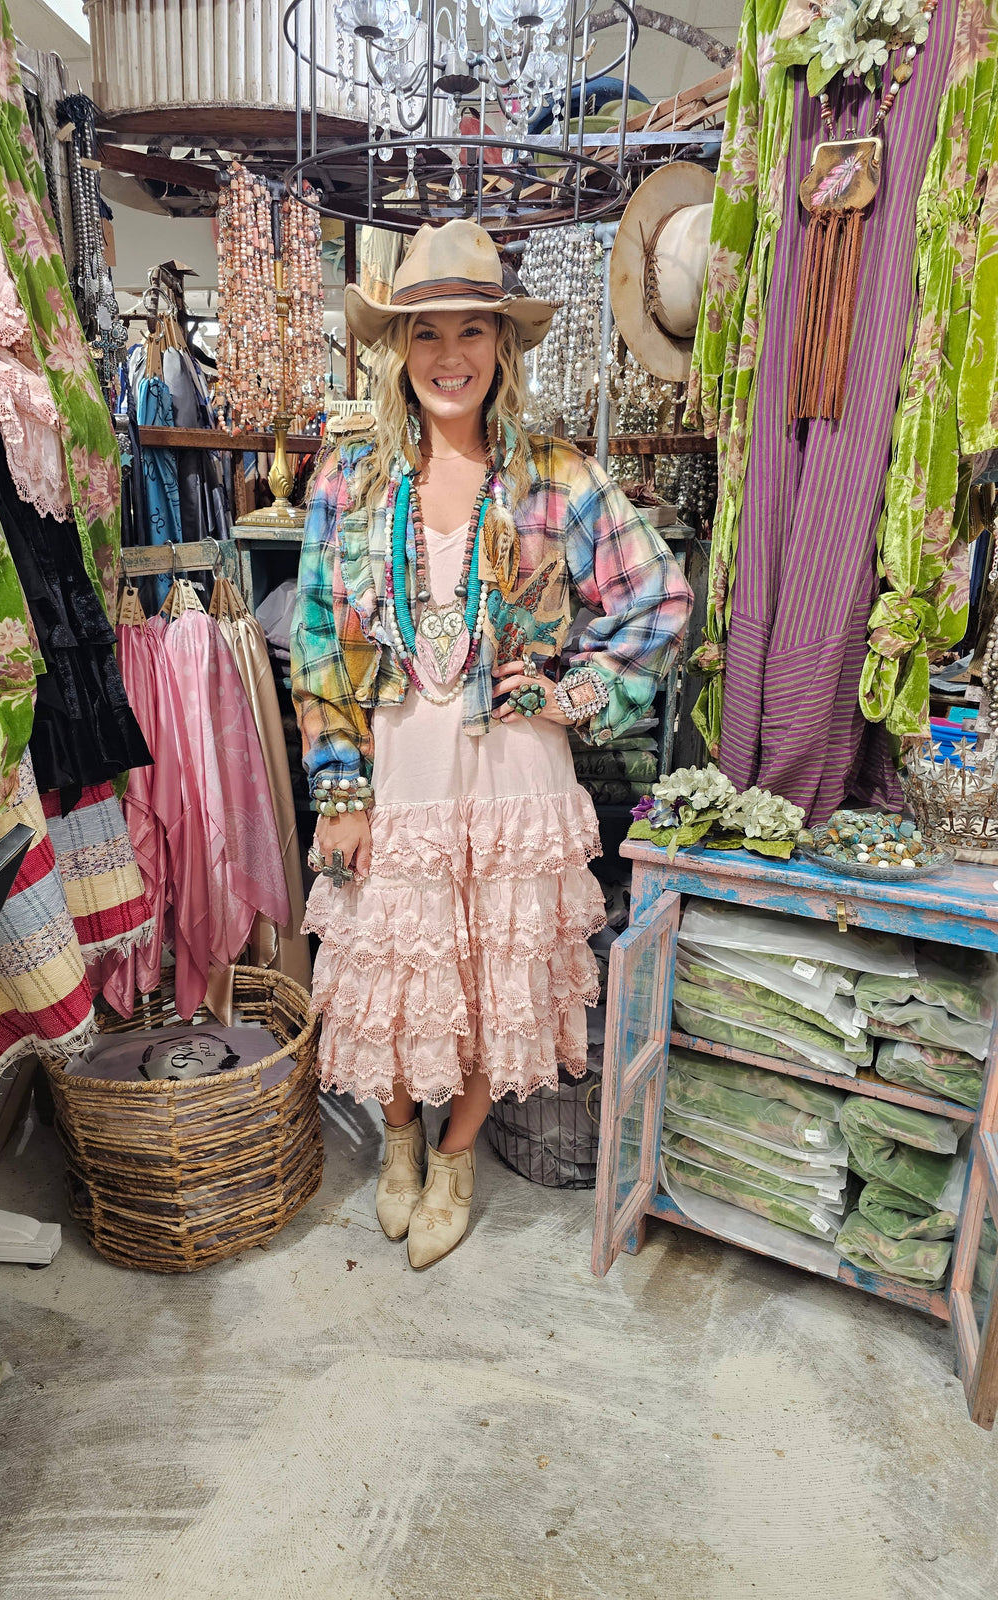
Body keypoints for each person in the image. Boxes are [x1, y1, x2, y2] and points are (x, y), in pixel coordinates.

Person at [292, 220, 691, 1270]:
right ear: (400, 348)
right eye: (428, 334)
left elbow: (659, 598)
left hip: (515, 769)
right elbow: (319, 642)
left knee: (488, 973)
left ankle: (459, 1153)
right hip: (396, 767)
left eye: (475, 331)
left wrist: (578, 691)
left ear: (504, 347)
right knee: (387, 959)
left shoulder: (558, 471)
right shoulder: (351, 478)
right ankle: (400, 1138)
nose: (451, 356)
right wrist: (340, 788)